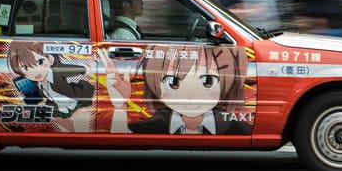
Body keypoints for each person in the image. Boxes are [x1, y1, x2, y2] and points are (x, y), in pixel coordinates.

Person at [98, 44, 251, 135]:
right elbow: (123, 136)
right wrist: (120, 106)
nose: (190, 96)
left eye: (207, 81)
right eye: (173, 83)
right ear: (156, 86)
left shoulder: (236, 124)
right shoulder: (154, 123)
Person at [7, 40, 94, 132]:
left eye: (40, 62)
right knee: (67, 131)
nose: (35, 71)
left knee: (80, 128)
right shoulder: (35, 83)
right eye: (25, 68)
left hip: (76, 104)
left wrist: (86, 68)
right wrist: (26, 97)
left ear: (51, 60)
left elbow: (71, 69)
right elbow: (38, 99)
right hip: (60, 111)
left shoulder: (56, 71)